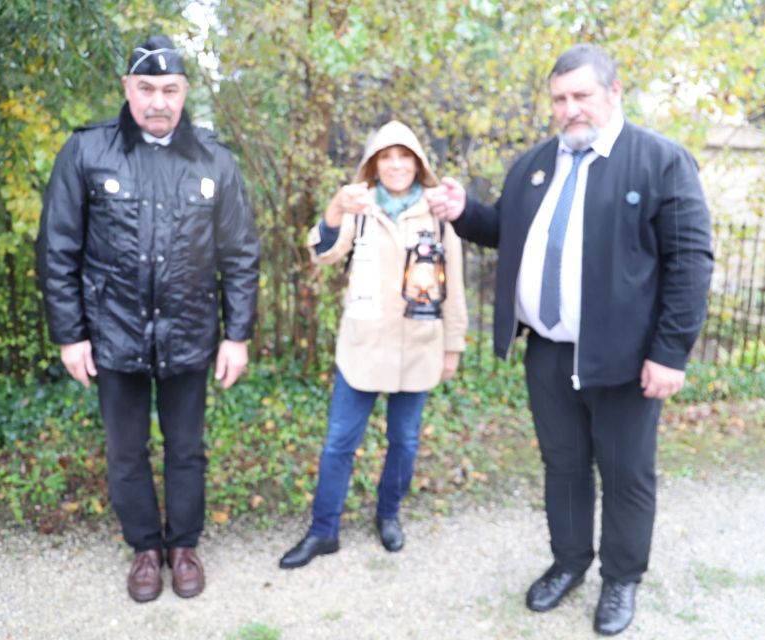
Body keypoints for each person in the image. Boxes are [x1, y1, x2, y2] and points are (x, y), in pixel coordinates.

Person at [426, 44, 713, 635]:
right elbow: (508, 230)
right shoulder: (535, 164)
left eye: (581, 95)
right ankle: (569, 563)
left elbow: (690, 261)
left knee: (626, 472)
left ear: (613, 93)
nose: (569, 109)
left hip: (626, 359)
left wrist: (669, 352)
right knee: (563, 467)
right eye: (559, 98)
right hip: (549, 351)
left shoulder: (660, 161)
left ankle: (621, 579)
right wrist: (463, 212)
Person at [35, 35, 260, 603]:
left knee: (186, 448)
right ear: (127, 90)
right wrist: (70, 336)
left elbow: (240, 254)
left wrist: (238, 334)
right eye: (146, 88)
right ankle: (145, 549)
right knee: (125, 451)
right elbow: (57, 248)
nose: (157, 101)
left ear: (185, 92)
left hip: (188, 334)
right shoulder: (87, 152)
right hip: (114, 336)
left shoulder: (215, 160)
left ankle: (182, 546)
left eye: (169, 90)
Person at [279, 120, 468, 569]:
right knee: (339, 443)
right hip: (362, 348)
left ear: (418, 164)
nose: (396, 165)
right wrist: (335, 206)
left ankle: (389, 515)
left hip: (418, 346)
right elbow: (321, 253)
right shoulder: (360, 209)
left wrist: (452, 346)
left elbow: (455, 285)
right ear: (373, 165)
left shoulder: (438, 214)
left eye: (404, 157)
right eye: (386, 157)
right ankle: (323, 531)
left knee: (403, 441)